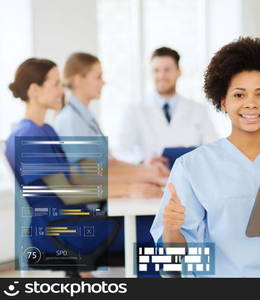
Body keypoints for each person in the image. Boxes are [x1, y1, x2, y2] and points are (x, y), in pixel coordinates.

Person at [150, 37, 260, 277]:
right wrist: (172, 230)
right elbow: (175, 259)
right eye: (239, 95)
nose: (250, 104)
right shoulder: (193, 166)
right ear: (223, 101)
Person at [4, 58, 148, 269]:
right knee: (155, 228)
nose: (62, 90)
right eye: (55, 84)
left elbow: (77, 178)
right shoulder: (30, 136)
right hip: (63, 231)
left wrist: (130, 187)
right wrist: (130, 190)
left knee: (153, 226)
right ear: (34, 90)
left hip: (73, 224)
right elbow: (70, 193)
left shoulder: (45, 130)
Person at [54, 52, 168, 190]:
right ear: (79, 80)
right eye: (98, 77)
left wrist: (145, 168)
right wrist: (143, 175)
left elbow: (108, 163)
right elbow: (88, 174)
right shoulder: (70, 121)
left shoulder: (84, 117)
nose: (103, 82)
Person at [115, 47, 219, 164]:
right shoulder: (134, 110)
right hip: (150, 178)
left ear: (179, 72)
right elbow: (121, 151)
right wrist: (143, 161)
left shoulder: (198, 110)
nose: (161, 76)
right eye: (156, 70)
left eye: (167, 70)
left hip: (189, 178)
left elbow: (213, 149)